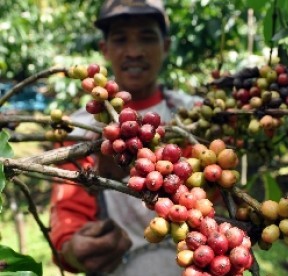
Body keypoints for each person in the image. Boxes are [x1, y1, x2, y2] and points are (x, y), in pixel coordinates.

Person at [49, 0, 201, 275]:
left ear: (165, 46)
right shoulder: (78, 131)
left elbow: (212, 199)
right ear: (104, 50)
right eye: (120, 40)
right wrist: (72, 249)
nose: (134, 52)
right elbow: (67, 216)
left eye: (147, 38)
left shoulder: (194, 118)